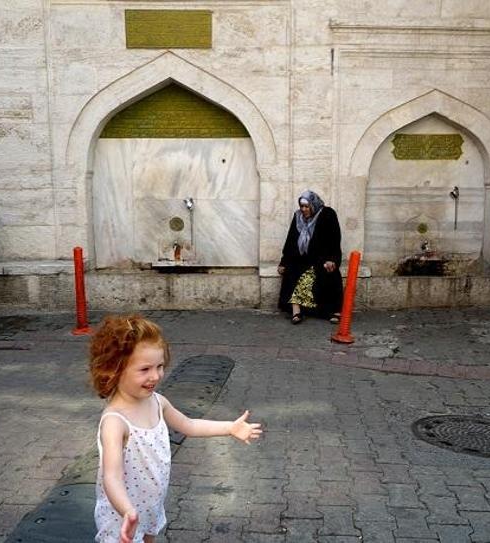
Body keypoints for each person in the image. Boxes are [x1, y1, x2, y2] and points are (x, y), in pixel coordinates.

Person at [89, 315, 262, 543]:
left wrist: (229, 427)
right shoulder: (115, 421)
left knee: (150, 537)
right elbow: (111, 477)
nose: (156, 376)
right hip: (121, 517)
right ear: (114, 370)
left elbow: (188, 425)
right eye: (145, 369)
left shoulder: (157, 402)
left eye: (160, 366)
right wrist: (127, 511)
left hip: (151, 504)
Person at [277, 190, 344, 324]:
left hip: (322, 258)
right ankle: (296, 312)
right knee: (292, 272)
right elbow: (291, 240)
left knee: (327, 275)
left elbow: (334, 238)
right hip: (301, 258)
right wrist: (284, 262)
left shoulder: (327, 214)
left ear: (314, 204)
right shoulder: (298, 217)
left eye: (307, 206)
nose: (304, 209)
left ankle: (330, 312)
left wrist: (332, 259)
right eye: (302, 206)